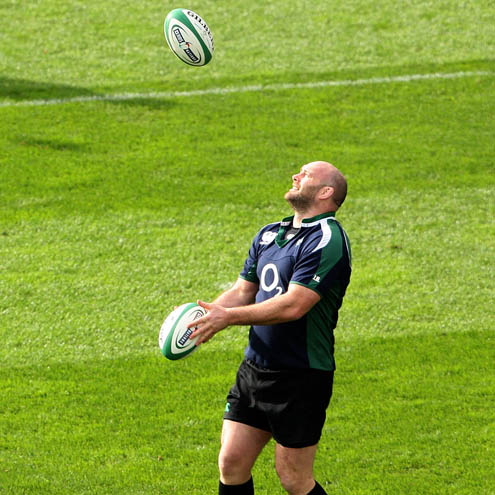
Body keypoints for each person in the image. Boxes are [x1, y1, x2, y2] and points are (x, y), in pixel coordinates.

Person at [189, 161, 352, 495]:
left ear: (326, 192)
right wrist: (203, 315)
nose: (296, 176)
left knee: (293, 478)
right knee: (231, 463)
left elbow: (295, 305)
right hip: (255, 368)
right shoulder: (269, 234)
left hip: (301, 376)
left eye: (306, 174)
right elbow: (242, 291)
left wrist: (228, 318)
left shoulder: (327, 239)